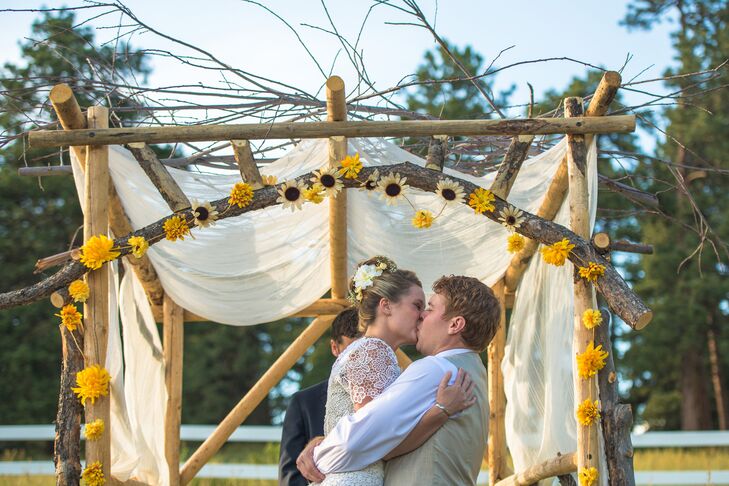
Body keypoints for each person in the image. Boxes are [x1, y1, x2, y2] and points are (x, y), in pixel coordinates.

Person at [297, 275, 501, 486]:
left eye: (429, 308)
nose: (422, 316)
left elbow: (362, 438)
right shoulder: (474, 370)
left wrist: (317, 458)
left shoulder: (436, 370)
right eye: (419, 307)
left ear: (455, 324)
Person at [279, 307, 361, 486]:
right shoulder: (303, 402)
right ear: (334, 347)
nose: (361, 358)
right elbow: (289, 477)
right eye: (353, 350)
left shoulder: (390, 394)